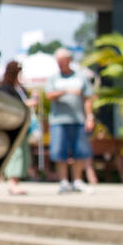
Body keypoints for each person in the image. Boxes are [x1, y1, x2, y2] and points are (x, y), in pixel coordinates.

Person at [44, 47, 95, 193]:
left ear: (69, 60)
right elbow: (48, 95)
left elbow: (88, 99)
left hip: (78, 119)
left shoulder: (81, 77)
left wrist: (90, 117)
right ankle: (64, 181)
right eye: (57, 61)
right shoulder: (53, 78)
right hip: (58, 120)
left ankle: (78, 181)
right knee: (60, 152)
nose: (59, 64)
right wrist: (66, 91)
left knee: (80, 151)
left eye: (62, 61)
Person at [0, 61, 37, 195]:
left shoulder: (20, 88)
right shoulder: (6, 88)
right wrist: (26, 103)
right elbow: (9, 105)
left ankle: (16, 181)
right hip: (14, 125)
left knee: (24, 153)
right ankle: (12, 183)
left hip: (24, 126)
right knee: (16, 153)